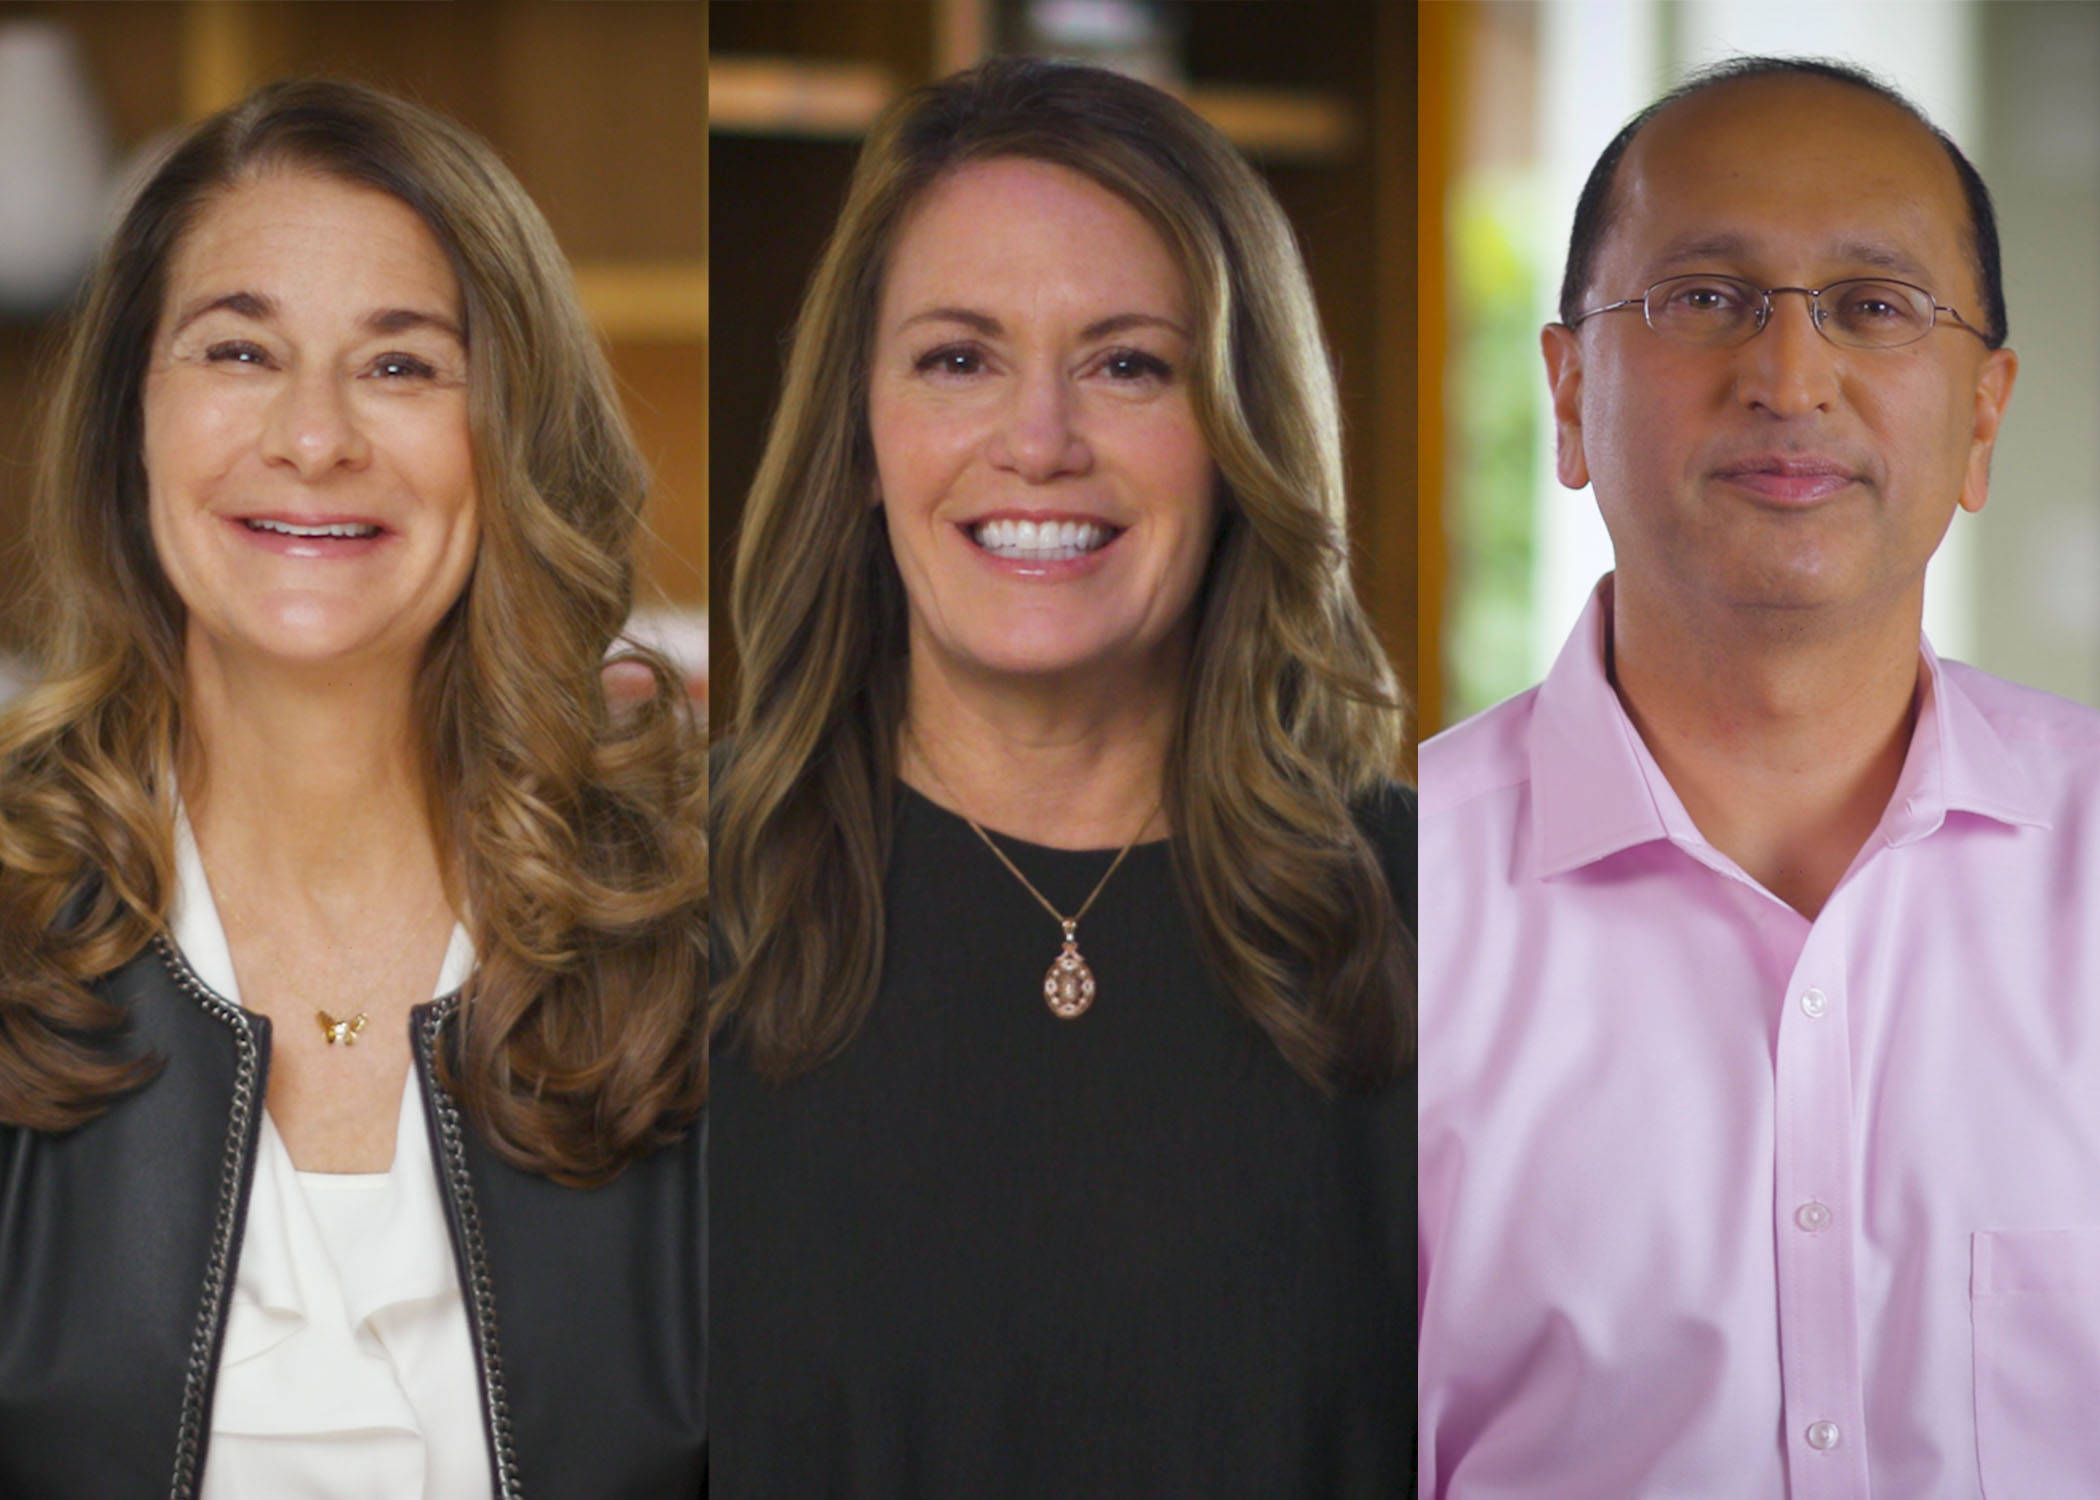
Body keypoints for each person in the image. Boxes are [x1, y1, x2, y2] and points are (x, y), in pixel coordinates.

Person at [710, 57, 1413, 1499]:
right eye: (959, 358)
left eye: (1127, 363)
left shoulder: (1447, 920)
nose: (1038, 443)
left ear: (1238, 435)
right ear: (861, 427)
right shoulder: (657, 905)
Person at [0, 80, 705, 1497]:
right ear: (127, 425)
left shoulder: (717, 933)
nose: (314, 436)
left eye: (399, 367)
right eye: (240, 351)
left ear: (504, 432)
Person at [1418, 55, 2100, 1497]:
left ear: (1983, 415)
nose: (1790, 377)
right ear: (1566, 388)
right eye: (1705, 299)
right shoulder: (1373, 907)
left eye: (1874, 308)